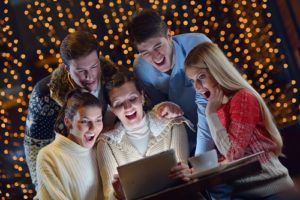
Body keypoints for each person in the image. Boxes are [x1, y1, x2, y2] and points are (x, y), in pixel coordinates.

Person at [184, 42, 295, 199]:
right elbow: (229, 157)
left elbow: (233, 154)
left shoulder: (242, 98)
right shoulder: (218, 107)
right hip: (243, 193)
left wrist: (210, 114)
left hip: (271, 190)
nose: (197, 86)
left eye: (201, 77)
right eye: (192, 80)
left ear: (217, 71)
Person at [24, 31, 114, 190]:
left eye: (94, 66)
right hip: (72, 174)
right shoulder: (44, 95)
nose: (90, 76)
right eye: (80, 70)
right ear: (66, 68)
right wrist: (44, 188)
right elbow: (35, 147)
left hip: (112, 163)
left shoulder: (115, 76)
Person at [127, 9, 214, 155]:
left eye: (157, 46)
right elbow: (159, 113)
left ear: (169, 35)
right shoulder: (141, 68)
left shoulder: (199, 44)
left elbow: (210, 98)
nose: (155, 57)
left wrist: (202, 155)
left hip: (220, 125)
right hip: (186, 140)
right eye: (145, 53)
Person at [97, 69, 193, 200]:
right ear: (111, 109)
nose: (128, 107)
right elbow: (109, 194)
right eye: (119, 104)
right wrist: (117, 195)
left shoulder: (172, 124)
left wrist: (186, 173)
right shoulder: (106, 143)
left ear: (142, 96)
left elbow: (184, 171)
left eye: (133, 98)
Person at [36, 90, 103, 199]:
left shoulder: (100, 147)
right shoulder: (48, 156)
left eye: (98, 120)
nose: (93, 128)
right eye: (85, 121)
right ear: (67, 121)